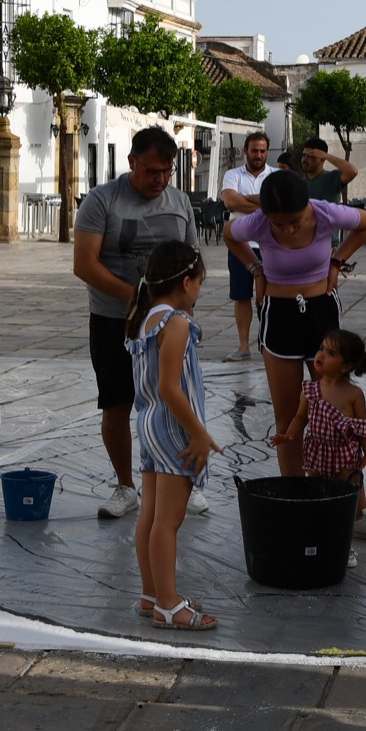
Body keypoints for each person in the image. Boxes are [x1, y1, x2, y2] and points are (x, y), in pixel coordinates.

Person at [72, 127, 201, 519]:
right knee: (117, 405)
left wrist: (184, 310)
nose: (160, 179)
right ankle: (126, 485)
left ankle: (181, 479)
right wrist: (137, 299)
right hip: (115, 321)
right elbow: (84, 264)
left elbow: (193, 261)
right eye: (151, 171)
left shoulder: (180, 202)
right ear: (132, 162)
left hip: (169, 327)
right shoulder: (102, 201)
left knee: (174, 401)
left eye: (167, 171)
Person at [223, 171, 366, 486]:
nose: (288, 230)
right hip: (280, 316)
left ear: (307, 205)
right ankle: (294, 493)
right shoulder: (258, 222)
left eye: (294, 221)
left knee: (333, 409)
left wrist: (337, 262)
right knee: (288, 415)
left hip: (321, 314)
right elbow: (229, 234)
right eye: (278, 225)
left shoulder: (325, 212)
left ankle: (344, 497)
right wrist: (256, 269)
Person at [125, 241, 219, 630]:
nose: (199, 291)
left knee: (150, 515)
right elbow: (169, 387)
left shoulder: (146, 319)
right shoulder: (176, 324)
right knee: (168, 520)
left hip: (148, 426)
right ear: (186, 282)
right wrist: (199, 434)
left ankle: (152, 593)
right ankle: (168, 605)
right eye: (200, 283)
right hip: (172, 430)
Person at [272, 330, 366, 557]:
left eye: (330, 353)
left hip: (344, 454)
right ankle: (319, 539)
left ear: (346, 366)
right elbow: (300, 417)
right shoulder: (310, 390)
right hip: (316, 452)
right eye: (321, 348)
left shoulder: (354, 394)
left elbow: (363, 428)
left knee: (343, 500)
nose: (320, 354)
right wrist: (288, 434)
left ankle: (343, 545)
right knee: (318, 497)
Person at [217, 131, 275, 361]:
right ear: (245, 151)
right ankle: (243, 346)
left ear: (267, 152)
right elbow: (230, 201)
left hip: (269, 245)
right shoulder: (232, 175)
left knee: (269, 296)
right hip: (240, 245)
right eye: (254, 150)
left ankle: (269, 344)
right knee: (241, 295)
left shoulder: (276, 176)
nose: (258, 155)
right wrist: (264, 203)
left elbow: (279, 204)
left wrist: (246, 199)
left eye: (262, 151)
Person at [301, 137, 358, 205]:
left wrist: (327, 156)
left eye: (310, 156)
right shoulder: (300, 183)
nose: (305, 159)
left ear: (321, 159)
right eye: (304, 155)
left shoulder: (332, 178)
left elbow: (353, 171)